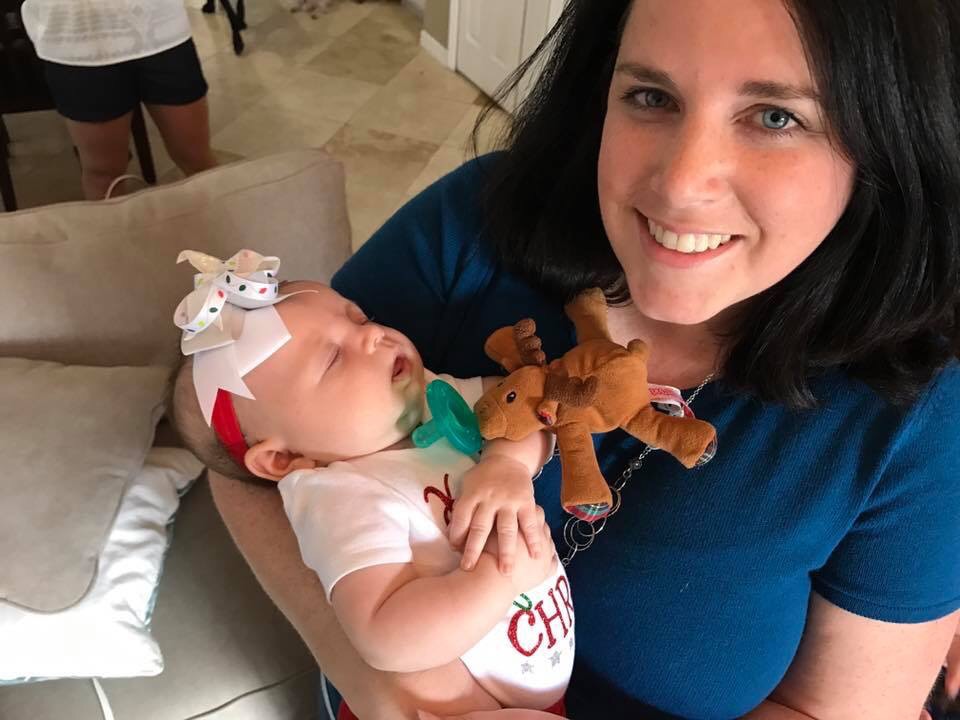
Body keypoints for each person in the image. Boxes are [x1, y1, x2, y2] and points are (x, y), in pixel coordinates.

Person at [208, 0, 960, 717]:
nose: (680, 184)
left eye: (774, 117)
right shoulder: (476, 223)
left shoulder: (919, 407)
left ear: (885, 140)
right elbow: (238, 445)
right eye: (651, 97)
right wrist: (396, 696)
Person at [171, 280, 572, 718]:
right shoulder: (340, 500)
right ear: (283, 458)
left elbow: (526, 410)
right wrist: (498, 578)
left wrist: (507, 465)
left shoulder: (430, 397)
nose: (373, 336)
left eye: (360, 318)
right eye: (333, 359)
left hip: (531, 683)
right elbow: (385, 637)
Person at [20, 0, 216, 200]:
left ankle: (218, 216)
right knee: (103, 176)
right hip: (74, 38)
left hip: (161, 27)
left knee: (196, 159)